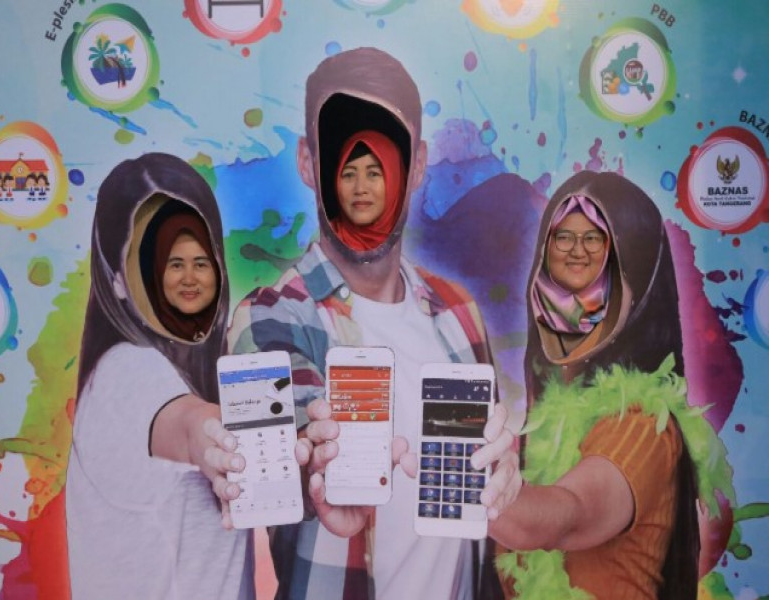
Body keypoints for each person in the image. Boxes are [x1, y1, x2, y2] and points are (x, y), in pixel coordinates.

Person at [229, 47, 520, 600]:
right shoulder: (270, 316)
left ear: (417, 165)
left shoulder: (460, 312)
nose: (364, 188)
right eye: (342, 155)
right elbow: (284, 456)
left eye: (383, 157)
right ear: (308, 163)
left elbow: (486, 497)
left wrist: (506, 476)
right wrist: (316, 464)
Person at [489, 171, 730, 599]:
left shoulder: (642, 425)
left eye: (595, 241)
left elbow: (569, 515)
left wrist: (467, 480)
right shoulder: (545, 426)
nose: (575, 256)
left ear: (636, 278)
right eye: (563, 238)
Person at [66, 152, 255, 600]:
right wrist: (223, 437)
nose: (188, 277)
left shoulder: (181, 373)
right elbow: (191, 426)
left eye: (199, 255)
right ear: (116, 279)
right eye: (162, 258)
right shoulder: (127, 372)